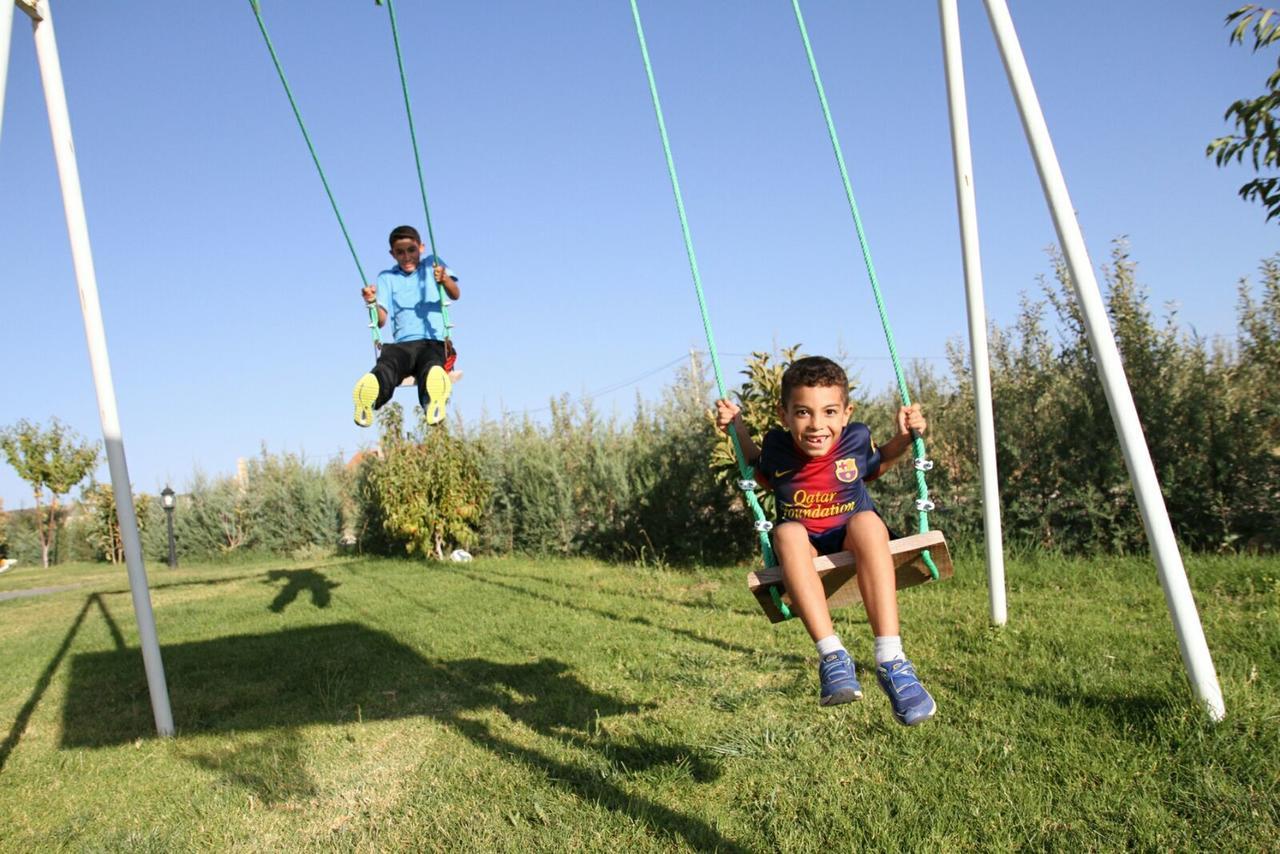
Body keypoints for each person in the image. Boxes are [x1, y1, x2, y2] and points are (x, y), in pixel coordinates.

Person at [715, 355, 936, 725]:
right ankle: (832, 654)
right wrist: (735, 428)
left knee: (867, 522)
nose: (817, 425)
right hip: (807, 549)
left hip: (855, 540)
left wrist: (906, 436)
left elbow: (876, 465)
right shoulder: (777, 449)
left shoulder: (856, 439)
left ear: (846, 413)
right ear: (783, 414)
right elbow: (756, 465)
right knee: (785, 530)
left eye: (830, 412)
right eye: (803, 413)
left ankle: (891, 659)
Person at [352, 225, 461, 427]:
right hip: (402, 345)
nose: (406, 256)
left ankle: (432, 401)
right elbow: (381, 320)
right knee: (387, 364)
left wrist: (444, 279)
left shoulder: (433, 265)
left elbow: (455, 294)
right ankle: (370, 397)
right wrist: (372, 303)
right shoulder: (387, 278)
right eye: (400, 252)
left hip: (433, 341)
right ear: (392, 254)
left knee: (431, 366)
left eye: (411, 250)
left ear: (421, 248)